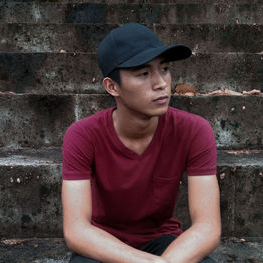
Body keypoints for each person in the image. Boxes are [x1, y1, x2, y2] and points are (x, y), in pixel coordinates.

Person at [61, 23, 221, 263]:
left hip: (164, 244)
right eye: (144, 73)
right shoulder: (82, 135)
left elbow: (208, 227)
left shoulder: (194, 131)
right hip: (105, 244)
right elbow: (76, 231)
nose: (161, 83)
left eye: (164, 69)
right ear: (112, 86)